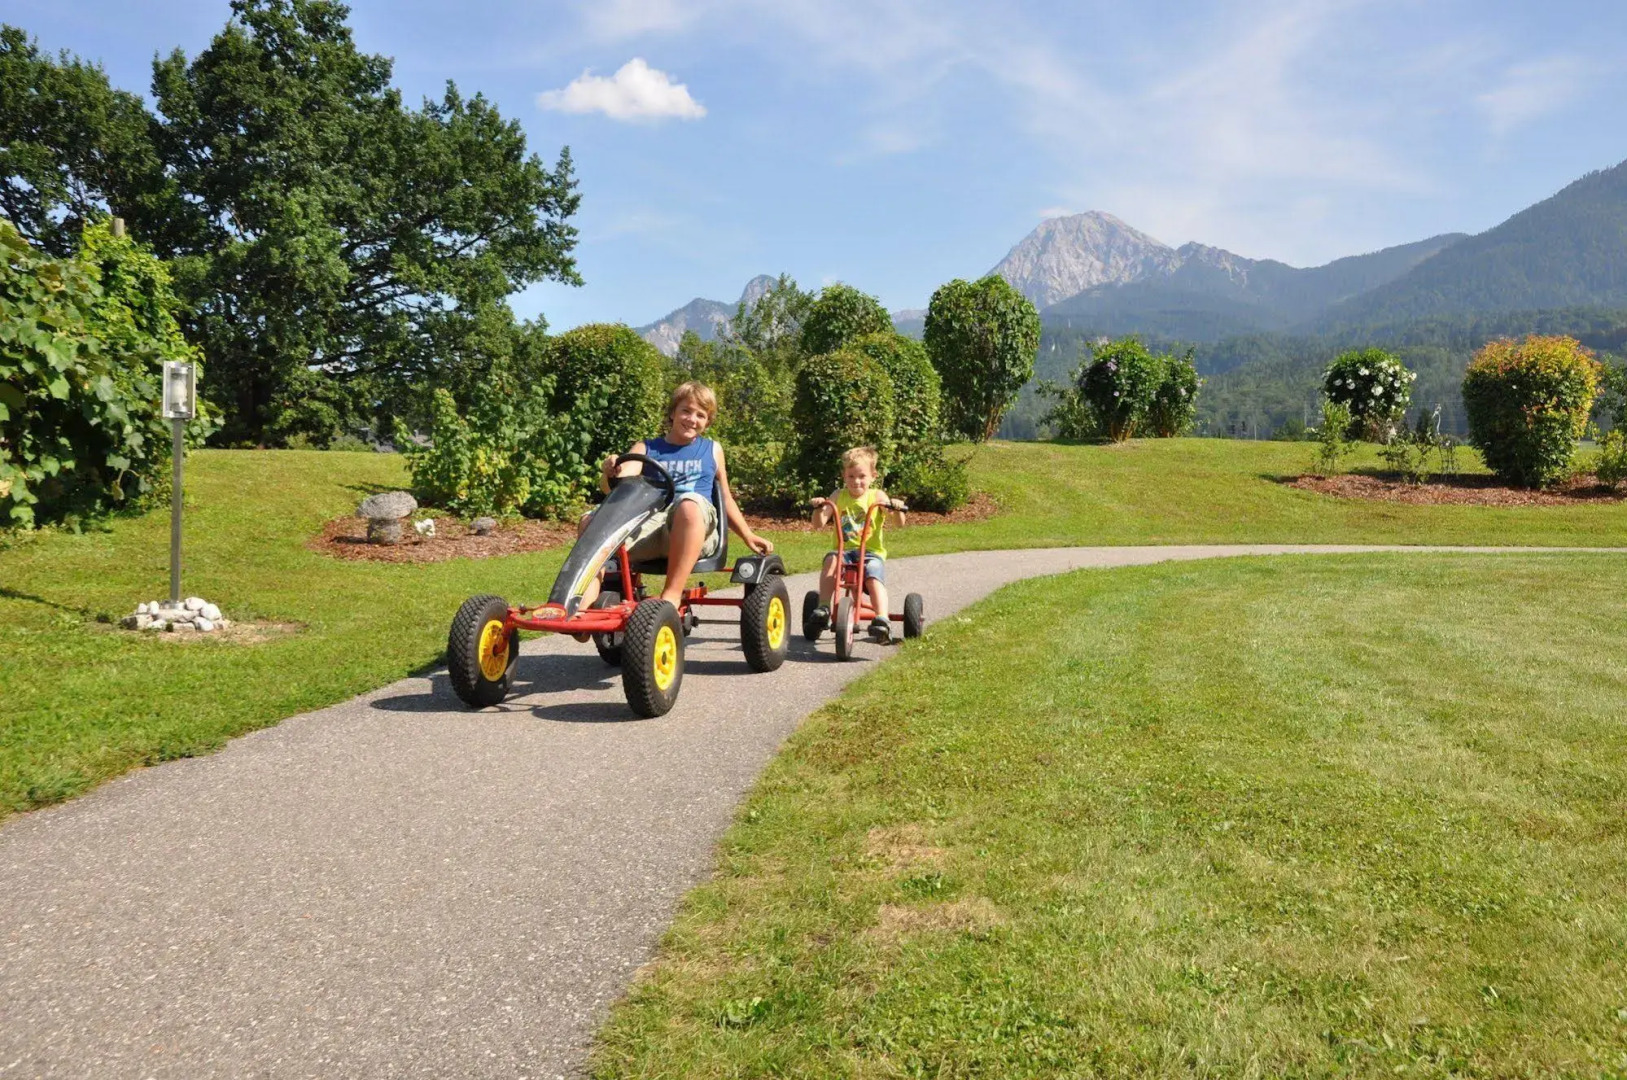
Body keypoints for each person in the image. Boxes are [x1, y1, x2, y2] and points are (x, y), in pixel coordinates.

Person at [580, 381, 773, 611]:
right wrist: (609, 470)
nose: (692, 419)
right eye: (686, 411)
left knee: (688, 504)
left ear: (707, 422)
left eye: (700, 415)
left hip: (695, 528)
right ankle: (582, 607)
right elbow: (616, 485)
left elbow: (725, 498)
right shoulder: (646, 448)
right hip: (649, 526)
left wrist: (747, 535)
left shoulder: (712, 449)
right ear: (673, 412)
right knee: (590, 521)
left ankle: (671, 595)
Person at [807, 445, 906, 640]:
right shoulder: (838, 495)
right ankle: (824, 607)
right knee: (830, 562)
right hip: (843, 551)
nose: (856, 481)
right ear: (844, 476)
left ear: (873, 476)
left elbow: (898, 524)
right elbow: (818, 524)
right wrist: (819, 508)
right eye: (851, 476)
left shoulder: (876, 496)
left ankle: (882, 618)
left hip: (870, 552)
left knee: (873, 575)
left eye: (861, 476)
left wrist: (897, 509)